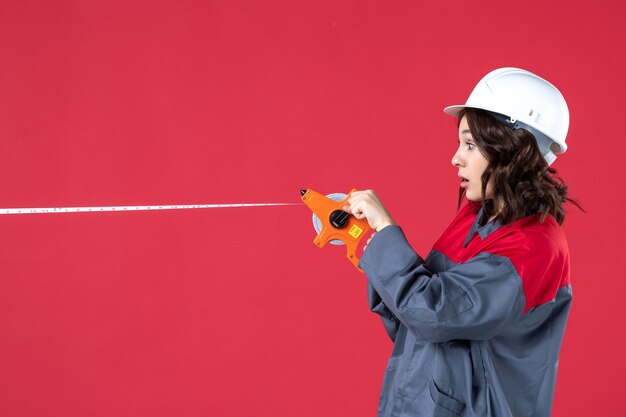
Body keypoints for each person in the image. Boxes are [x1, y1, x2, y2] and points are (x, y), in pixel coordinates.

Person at [343, 68, 576, 417]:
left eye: (470, 144)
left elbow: (433, 314)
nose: (456, 158)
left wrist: (387, 231)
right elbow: (415, 324)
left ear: (513, 150)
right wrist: (368, 237)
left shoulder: (534, 248)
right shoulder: (476, 218)